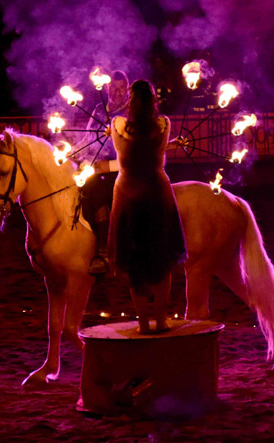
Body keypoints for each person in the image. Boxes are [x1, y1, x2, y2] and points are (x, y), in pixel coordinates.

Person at [108, 79, 187, 334]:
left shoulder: (117, 125)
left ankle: (143, 323)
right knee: (161, 258)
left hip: (128, 196)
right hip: (156, 194)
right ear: (154, 101)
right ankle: (161, 320)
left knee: (134, 261)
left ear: (130, 101)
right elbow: (154, 149)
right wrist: (173, 144)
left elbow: (131, 149)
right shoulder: (163, 124)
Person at [75, 70, 129, 275]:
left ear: (127, 90)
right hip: (95, 167)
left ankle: (104, 250)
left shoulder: (130, 114)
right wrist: (70, 153)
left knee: (97, 189)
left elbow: (135, 150)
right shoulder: (99, 109)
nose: (117, 92)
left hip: (120, 169)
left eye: (122, 88)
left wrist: (109, 166)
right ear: (106, 88)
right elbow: (88, 140)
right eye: (113, 87)